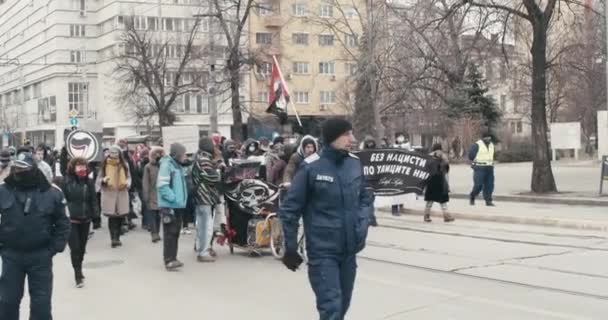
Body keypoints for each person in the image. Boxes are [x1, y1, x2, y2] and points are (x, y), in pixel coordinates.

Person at [280, 119, 374, 320]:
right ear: (332, 137)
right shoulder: (310, 167)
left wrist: (363, 225)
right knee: (331, 307)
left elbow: (365, 198)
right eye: (347, 134)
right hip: (323, 253)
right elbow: (290, 210)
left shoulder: (354, 164)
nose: (353, 139)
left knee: (342, 306)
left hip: (349, 251)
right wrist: (290, 247)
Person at [0, 151, 70, 319]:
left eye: (24, 169)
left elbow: (63, 222)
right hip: (11, 255)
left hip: (40, 255)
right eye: (17, 168)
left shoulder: (52, 192)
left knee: (41, 304)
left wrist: (53, 248)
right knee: (7, 301)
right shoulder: (3, 190)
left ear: (34, 169)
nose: (20, 172)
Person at [60, 157, 100, 288]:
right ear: (73, 167)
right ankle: (77, 275)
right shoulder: (66, 181)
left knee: (82, 248)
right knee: (75, 248)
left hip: (86, 219)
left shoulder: (89, 182)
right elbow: (61, 200)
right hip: (71, 220)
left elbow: (94, 200)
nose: (81, 168)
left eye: (83, 166)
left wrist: (96, 217)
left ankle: (80, 267)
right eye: (79, 166)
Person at [157, 143, 189, 271]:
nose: (185, 156)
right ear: (177, 154)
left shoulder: (177, 166)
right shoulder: (166, 165)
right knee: (170, 233)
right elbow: (162, 186)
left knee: (175, 233)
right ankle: (169, 259)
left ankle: (173, 258)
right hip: (169, 206)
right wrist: (174, 199)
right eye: (183, 154)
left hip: (177, 206)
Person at [192, 137, 222, 262]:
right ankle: (203, 252)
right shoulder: (204, 159)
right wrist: (218, 172)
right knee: (206, 226)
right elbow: (211, 177)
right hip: (204, 196)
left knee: (201, 224)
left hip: (199, 196)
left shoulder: (199, 157)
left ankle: (200, 248)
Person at [96, 145, 131, 248]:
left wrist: (127, 183)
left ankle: (118, 237)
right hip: (109, 193)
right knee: (112, 217)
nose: (114, 155)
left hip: (121, 192)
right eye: (112, 153)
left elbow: (129, 177)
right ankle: (113, 239)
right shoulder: (104, 165)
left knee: (120, 217)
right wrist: (103, 180)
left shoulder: (125, 164)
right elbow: (98, 179)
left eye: (116, 153)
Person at [423, 144, 455, 223]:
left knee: (430, 201)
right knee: (442, 201)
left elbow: (425, 170)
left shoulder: (428, 158)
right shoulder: (442, 157)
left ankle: (426, 216)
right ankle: (446, 216)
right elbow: (446, 171)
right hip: (440, 181)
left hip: (431, 182)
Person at [142, 147, 164, 243]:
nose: (157, 156)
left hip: (161, 194)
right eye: (155, 154)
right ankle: (154, 233)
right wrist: (146, 195)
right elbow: (145, 182)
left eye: (159, 154)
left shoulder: (163, 165)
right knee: (152, 214)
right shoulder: (148, 167)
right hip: (152, 193)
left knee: (158, 215)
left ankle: (157, 232)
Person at [468, 132, 496, 206]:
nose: (489, 139)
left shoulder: (491, 145)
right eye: (487, 137)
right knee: (478, 185)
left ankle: (488, 200)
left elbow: (492, 155)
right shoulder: (477, 145)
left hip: (489, 168)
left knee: (489, 185)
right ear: (483, 138)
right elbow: (470, 155)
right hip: (479, 168)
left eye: (489, 137)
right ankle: (472, 196)